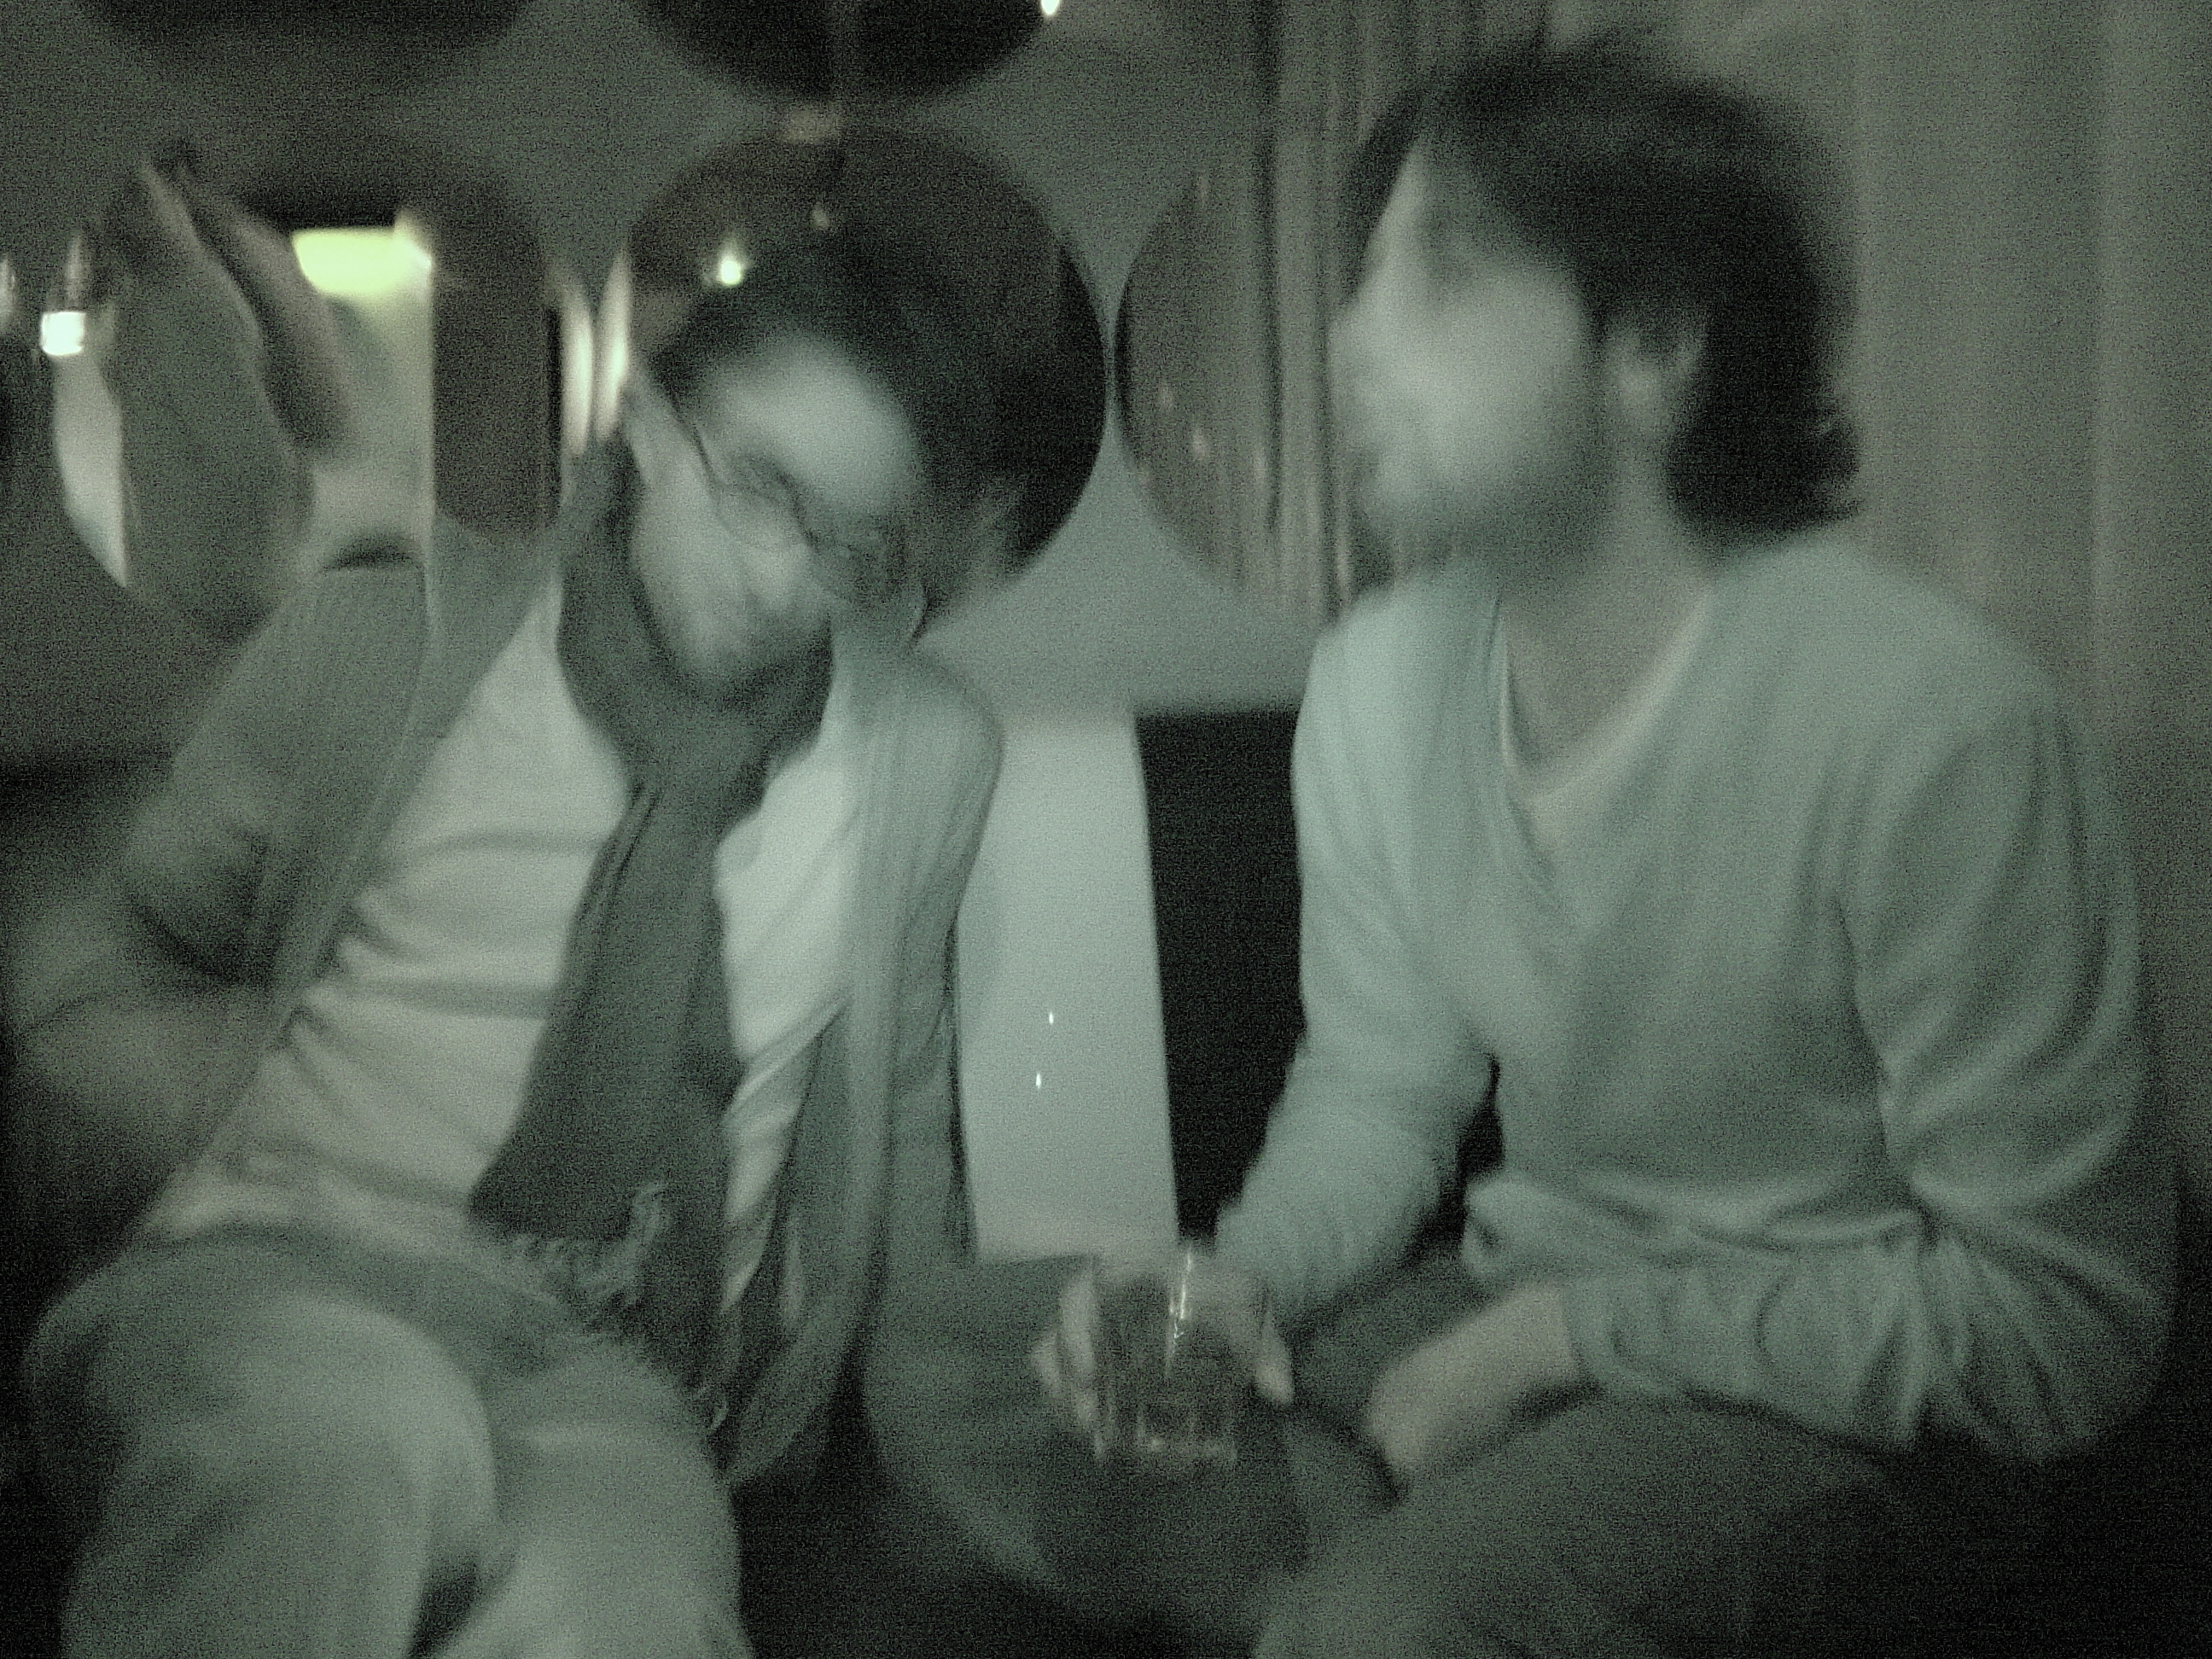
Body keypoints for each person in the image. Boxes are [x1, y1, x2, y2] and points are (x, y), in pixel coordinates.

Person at [914, 38, 2173, 1658]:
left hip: (1839, 1405)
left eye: (1437, 277)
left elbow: (2065, 1326)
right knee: (944, 1357)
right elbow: (1382, 1094)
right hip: (1510, 1298)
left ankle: (1359, 1576)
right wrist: (1236, 1284)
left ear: (1652, 347)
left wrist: (1568, 1342)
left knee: (1376, 1625)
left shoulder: (1931, 726)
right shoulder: (1380, 681)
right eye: (1358, 280)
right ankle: (1368, 1563)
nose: (1348, 341)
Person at [13, 203, 1009, 1657]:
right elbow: (99, 956)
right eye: (758, 491)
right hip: (269, 1277)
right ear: (649, 423)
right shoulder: (380, 646)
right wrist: (168, 1065)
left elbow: (900, 1124)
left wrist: (952, 1427)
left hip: (608, 1362)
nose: (784, 582)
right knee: (366, 1432)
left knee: (627, 1604)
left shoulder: (925, 756)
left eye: (854, 549)